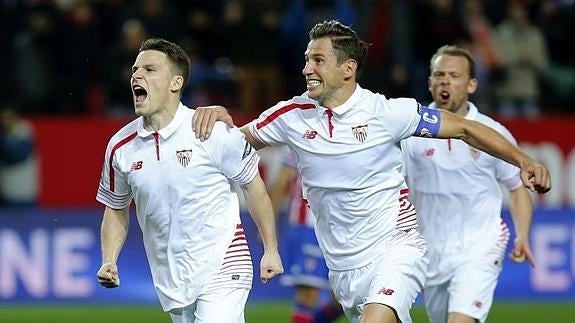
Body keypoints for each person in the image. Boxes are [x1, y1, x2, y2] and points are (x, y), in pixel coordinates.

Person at [192, 20, 551, 323]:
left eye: (318, 60)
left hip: (397, 249)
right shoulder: (290, 116)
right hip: (344, 265)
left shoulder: (386, 113)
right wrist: (220, 119)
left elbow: (465, 128)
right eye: (306, 60)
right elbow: (232, 147)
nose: (306, 69)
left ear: (348, 68)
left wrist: (525, 161)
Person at [95, 38, 283, 323]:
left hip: (224, 262)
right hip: (173, 278)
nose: (137, 75)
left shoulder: (210, 131)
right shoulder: (120, 147)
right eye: (135, 69)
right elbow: (116, 208)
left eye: (150, 69)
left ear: (176, 83)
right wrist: (109, 259)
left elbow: (253, 186)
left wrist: (271, 249)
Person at [401, 45, 536, 323]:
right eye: (439, 75)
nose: (445, 81)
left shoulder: (492, 133)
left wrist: (522, 234)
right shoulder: (410, 132)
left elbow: (516, 186)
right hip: (431, 251)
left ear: (472, 84)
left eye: (454, 75)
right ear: (429, 82)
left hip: (480, 244)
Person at [270, 146, 343, 323]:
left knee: (342, 298)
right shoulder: (296, 137)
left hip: (338, 227)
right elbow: (282, 182)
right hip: (306, 226)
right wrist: (268, 226)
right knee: (308, 293)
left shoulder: (345, 134)